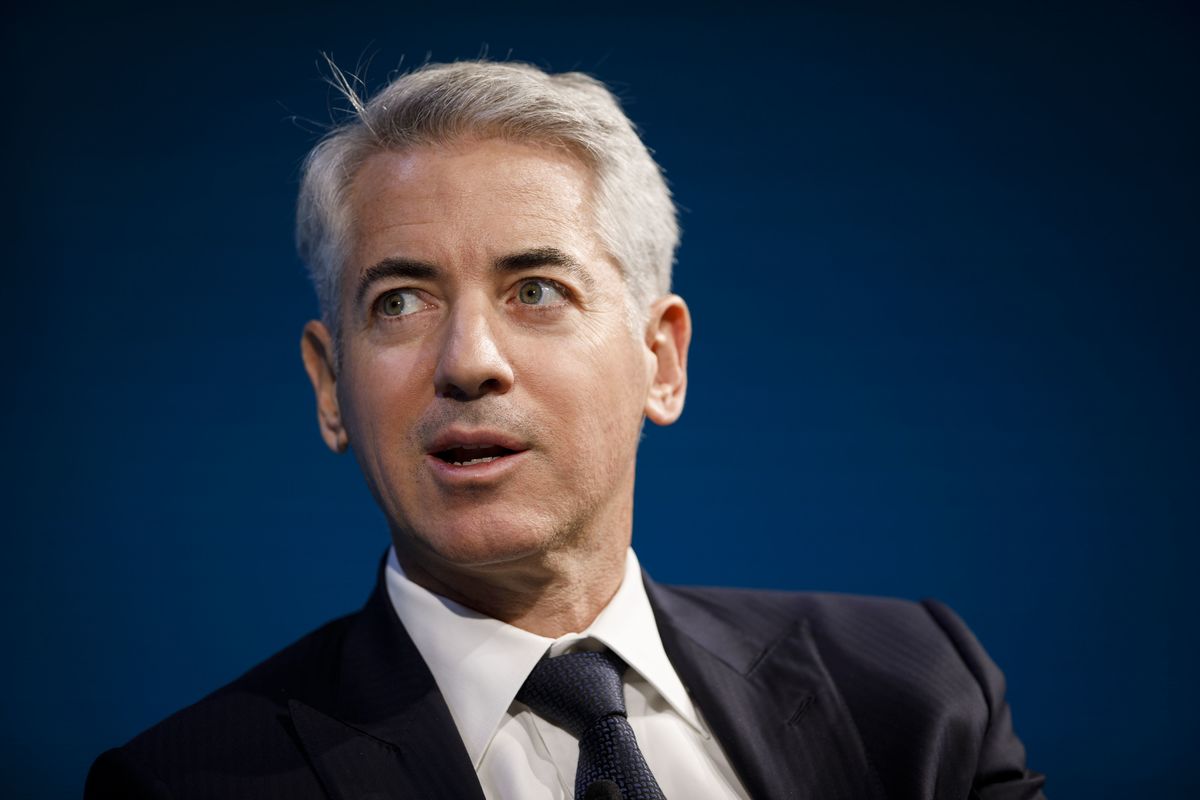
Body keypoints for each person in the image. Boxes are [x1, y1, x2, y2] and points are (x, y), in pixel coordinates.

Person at [86, 60, 1046, 799]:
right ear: (331, 385)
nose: (468, 360)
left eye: (536, 291)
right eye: (400, 301)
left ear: (660, 360)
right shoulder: (183, 785)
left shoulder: (916, 691)